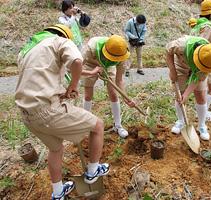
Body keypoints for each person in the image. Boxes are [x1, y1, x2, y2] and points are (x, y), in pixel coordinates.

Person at [15, 24, 109, 200]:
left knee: (55, 148)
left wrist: (88, 74)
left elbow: (50, 73)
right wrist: (72, 87)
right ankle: (93, 171)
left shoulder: (29, 50)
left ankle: (58, 193)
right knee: (97, 126)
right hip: (47, 109)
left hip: (26, 114)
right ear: (65, 35)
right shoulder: (60, 41)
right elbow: (77, 61)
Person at [166, 35, 211, 140]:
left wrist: (187, 94)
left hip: (198, 71)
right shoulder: (180, 45)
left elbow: (198, 78)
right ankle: (180, 121)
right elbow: (168, 51)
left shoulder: (209, 59)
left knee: (201, 95)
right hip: (181, 66)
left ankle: (202, 125)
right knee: (180, 95)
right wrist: (172, 70)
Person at [82, 35, 135, 138]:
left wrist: (126, 97)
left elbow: (119, 81)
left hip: (108, 66)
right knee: (88, 96)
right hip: (90, 64)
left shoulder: (121, 55)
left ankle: (118, 125)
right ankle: (85, 125)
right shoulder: (91, 47)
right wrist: (92, 72)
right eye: (113, 57)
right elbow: (77, 68)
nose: (116, 59)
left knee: (114, 94)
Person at [187, 0, 211, 122]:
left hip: (195, 59)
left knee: (205, 88)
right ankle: (203, 113)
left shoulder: (197, 25)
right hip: (206, 59)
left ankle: (203, 111)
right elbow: (201, 43)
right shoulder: (208, 26)